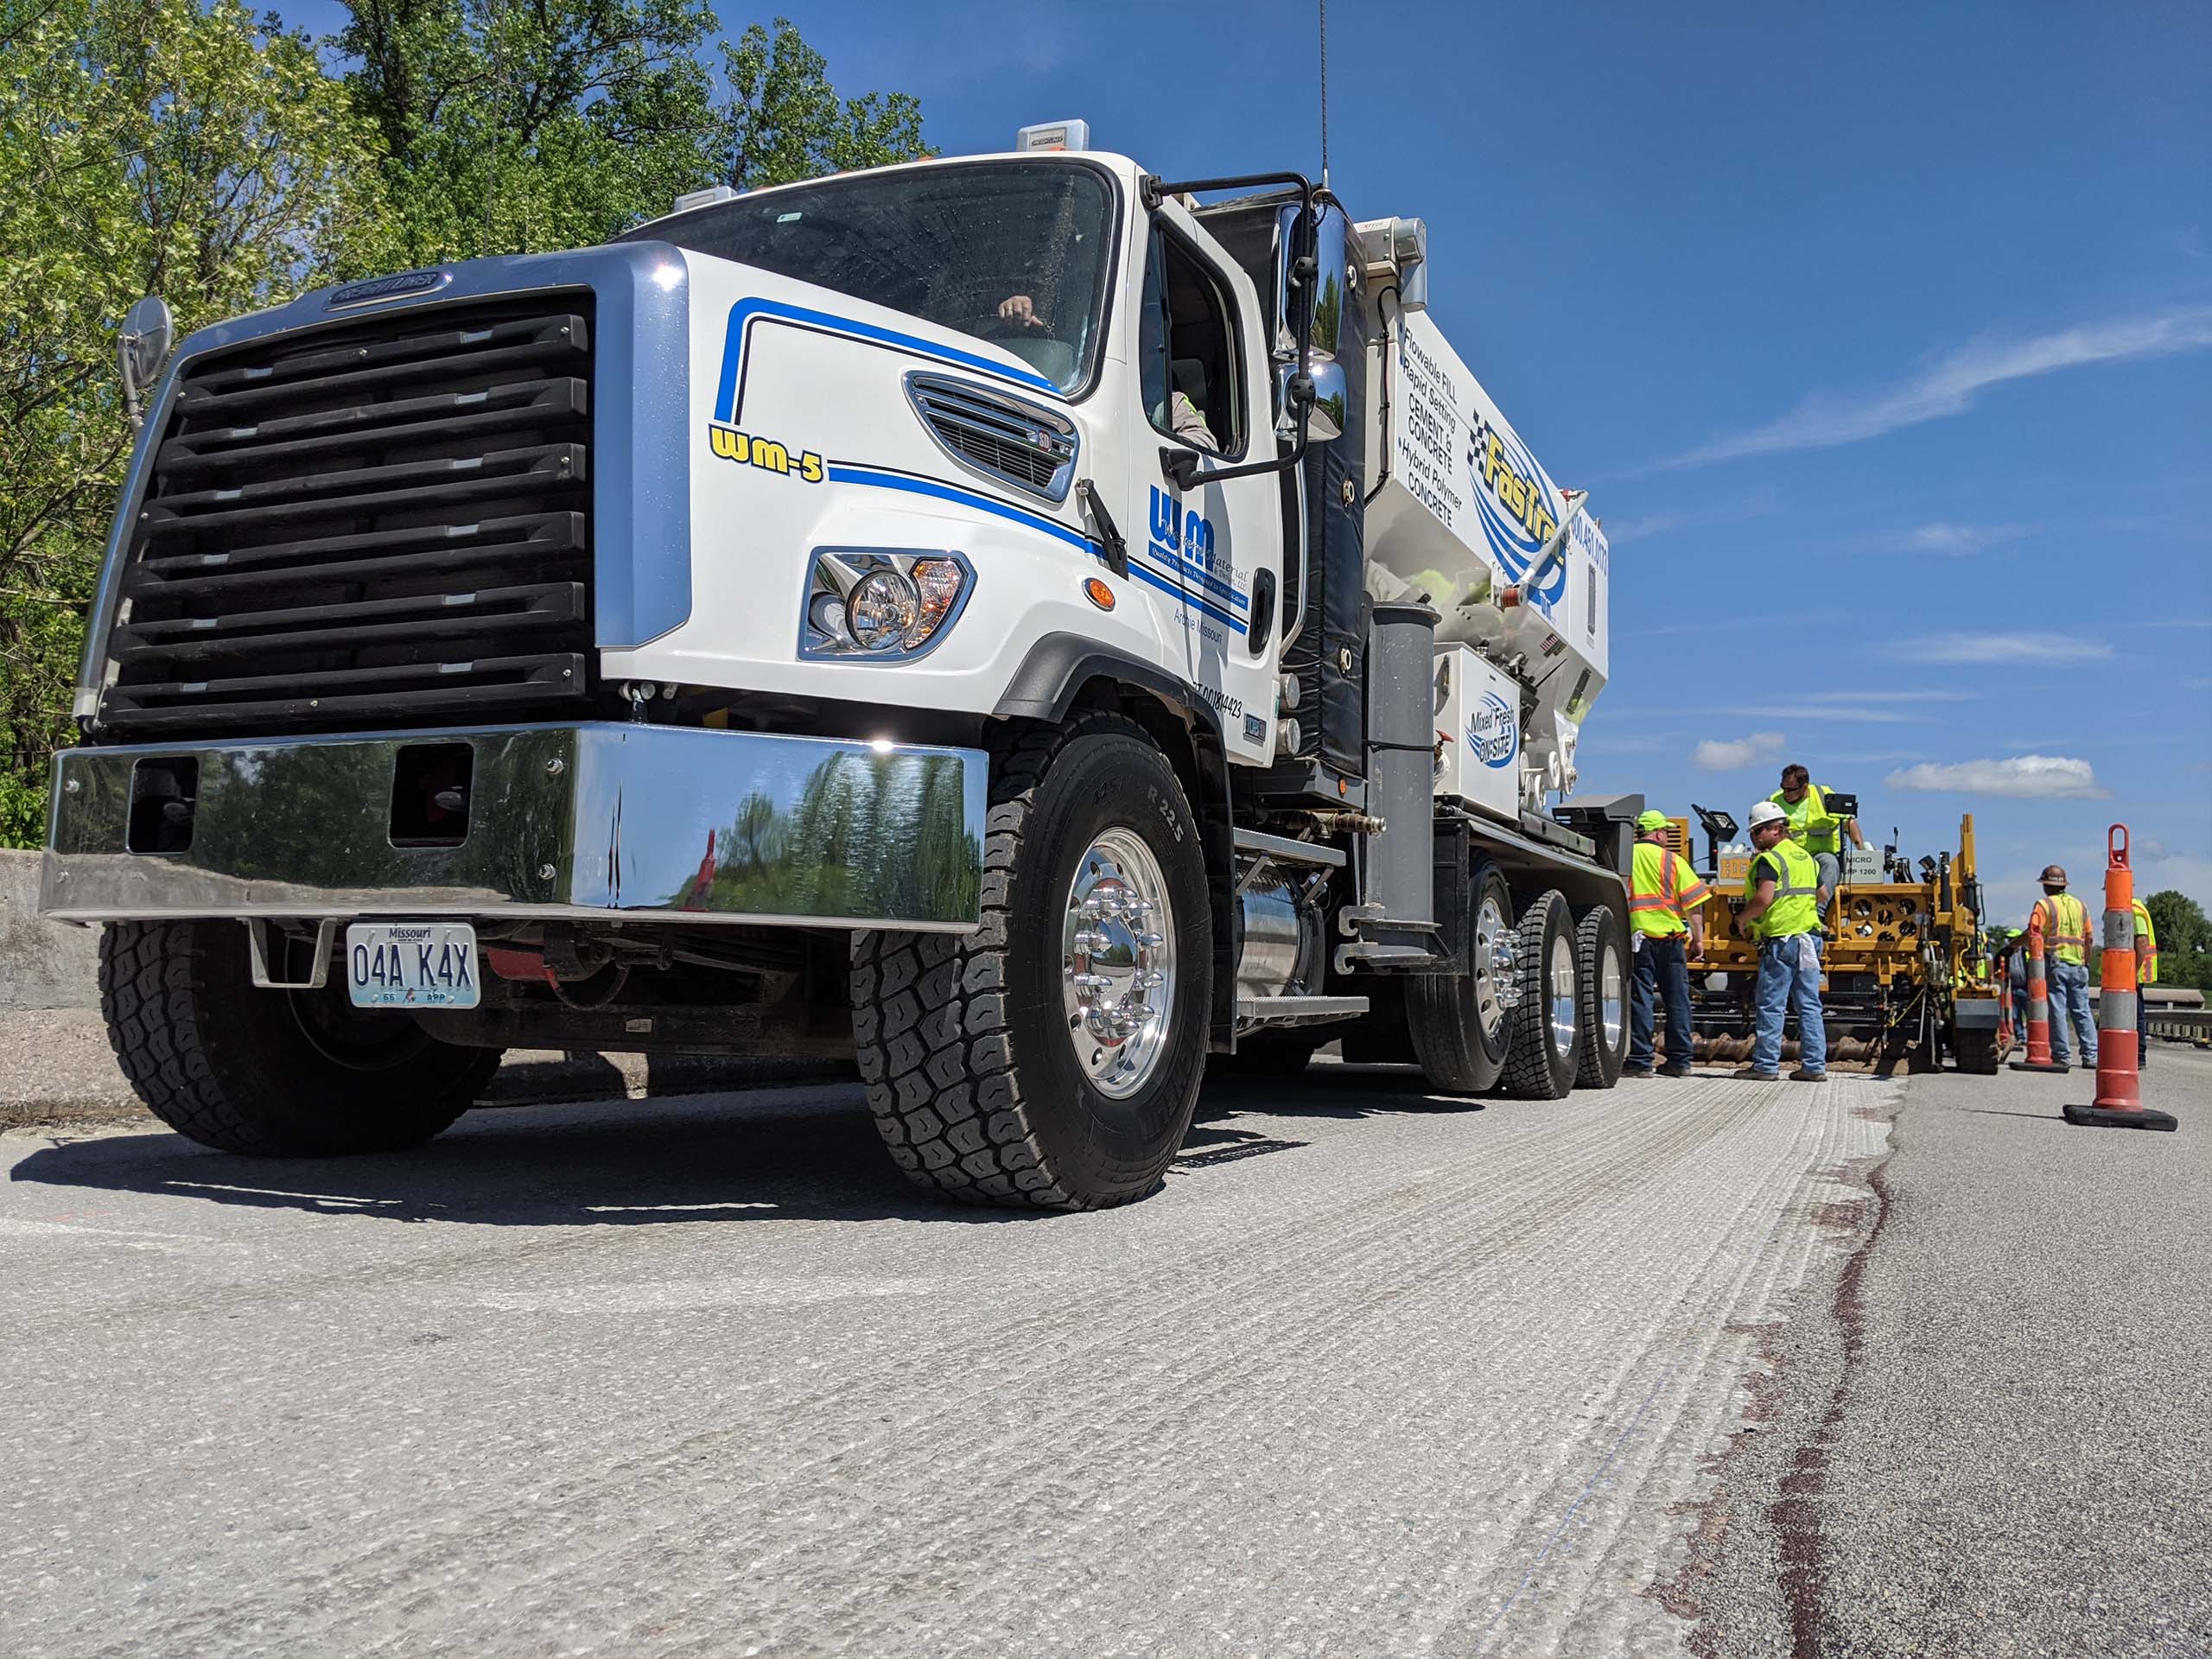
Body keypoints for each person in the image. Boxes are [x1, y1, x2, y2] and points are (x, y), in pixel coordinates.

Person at [997, 294, 1218, 449]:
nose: (1151, 338)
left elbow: (1205, 443)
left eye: (1155, 334)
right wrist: (1019, 318)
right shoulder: (1071, 379)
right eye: (1142, 326)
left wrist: (1151, 447)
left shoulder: (1167, 404)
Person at [1734, 798, 1827, 1083]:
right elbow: (1822, 895)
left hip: (1782, 940)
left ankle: (1765, 1065)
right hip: (1809, 939)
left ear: (1775, 829)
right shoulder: (1806, 859)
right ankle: (1814, 1067)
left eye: (1757, 832)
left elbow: (1763, 898)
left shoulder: (1770, 860)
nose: (1754, 838)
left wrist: (1742, 919)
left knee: (1771, 1004)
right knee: (1809, 1004)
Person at [1623, 810, 1710, 1079]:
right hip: (1671, 941)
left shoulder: (1624, 860)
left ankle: (1639, 1061)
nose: (1668, 836)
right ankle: (1680, 1061)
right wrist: (1698, 939)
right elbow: (1694, 905)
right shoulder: (1673, 861)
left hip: (1638, 940)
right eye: (1666, 832)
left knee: (1641, 999)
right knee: (1677, 1000)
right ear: (1658, 833)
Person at [1770, 764, 1864, 912]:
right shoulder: (1774, 801)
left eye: (1791, 789)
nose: (1785, 793)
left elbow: (1848, 822)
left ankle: (1817, 913)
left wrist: (1861, 849)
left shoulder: (1823, 796)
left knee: (1830, 863)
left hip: (1820, 855)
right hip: (1790, 857)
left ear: (1804, 786)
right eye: (1783, 787)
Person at [2030, 863, 2096, 1069]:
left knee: (2057, 1010)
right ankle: (2091, 1056)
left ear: (2046, 885)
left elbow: (2034, 934)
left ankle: (2062, 1056)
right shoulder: (2081, 906)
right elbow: (2089, 938)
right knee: (2082, 1010)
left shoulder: (2044, 905)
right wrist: (2085, 962)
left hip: (2056, 963)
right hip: (2079, 965)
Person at [2133, 895, 2158, 1071]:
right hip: (2133, 970)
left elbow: (2141, 941)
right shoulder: (2135, 907)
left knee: (2137, 1013)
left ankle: (2139, 1056)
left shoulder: (2133, 910)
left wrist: (2132, 972)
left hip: (2135, 971)